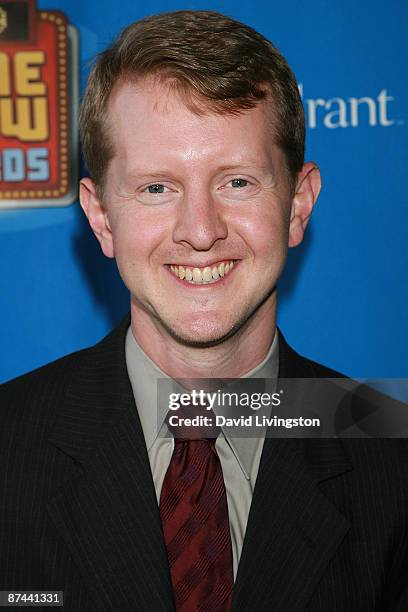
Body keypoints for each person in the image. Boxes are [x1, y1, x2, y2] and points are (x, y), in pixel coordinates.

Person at [1, 10, 407, 611]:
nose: (199, 232)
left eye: (237, 183)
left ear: (298, 205)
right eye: (157, 188)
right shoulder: (10, 446)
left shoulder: (393, 456)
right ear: (100, 217)